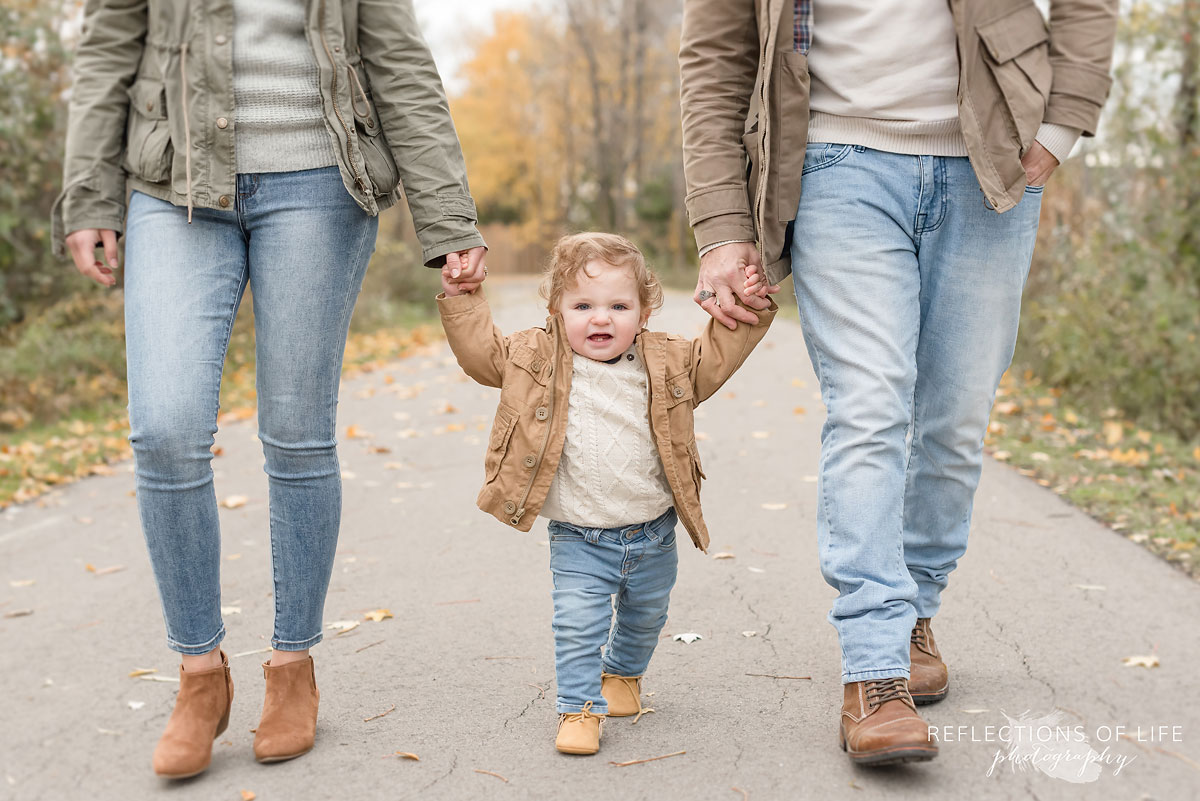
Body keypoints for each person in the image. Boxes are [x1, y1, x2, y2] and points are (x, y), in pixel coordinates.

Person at [52, 0, 486, 779]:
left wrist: (446, 213)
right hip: (173, 182)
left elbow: (399, 62)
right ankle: (198, 673)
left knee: (296, 430)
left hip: (321, 183)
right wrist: (88, 195)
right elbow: (108, 50)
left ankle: (292, 665)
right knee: (165, 427)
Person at [679, 0, 1117, 766]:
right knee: (870, 407)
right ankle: (875, 666)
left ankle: (915, 606)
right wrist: (721, 224)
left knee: (953, 420)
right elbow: (715, 55)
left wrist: (1063, 124)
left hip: (995, 164)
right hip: (835, 166)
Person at [437, 232, 775, 754]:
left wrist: (748, 304)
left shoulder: (666, 363)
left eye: (619, 305)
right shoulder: (533, 359)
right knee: (577, 626)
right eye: (583, 305)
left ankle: (621, 676)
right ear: (556, 310)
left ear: (643, 314)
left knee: (646, 618)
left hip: (653, 534)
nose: (601, 318)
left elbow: (716, 356)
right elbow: (482, 355)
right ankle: (578, 709)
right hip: (578, 537)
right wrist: (464, 299)